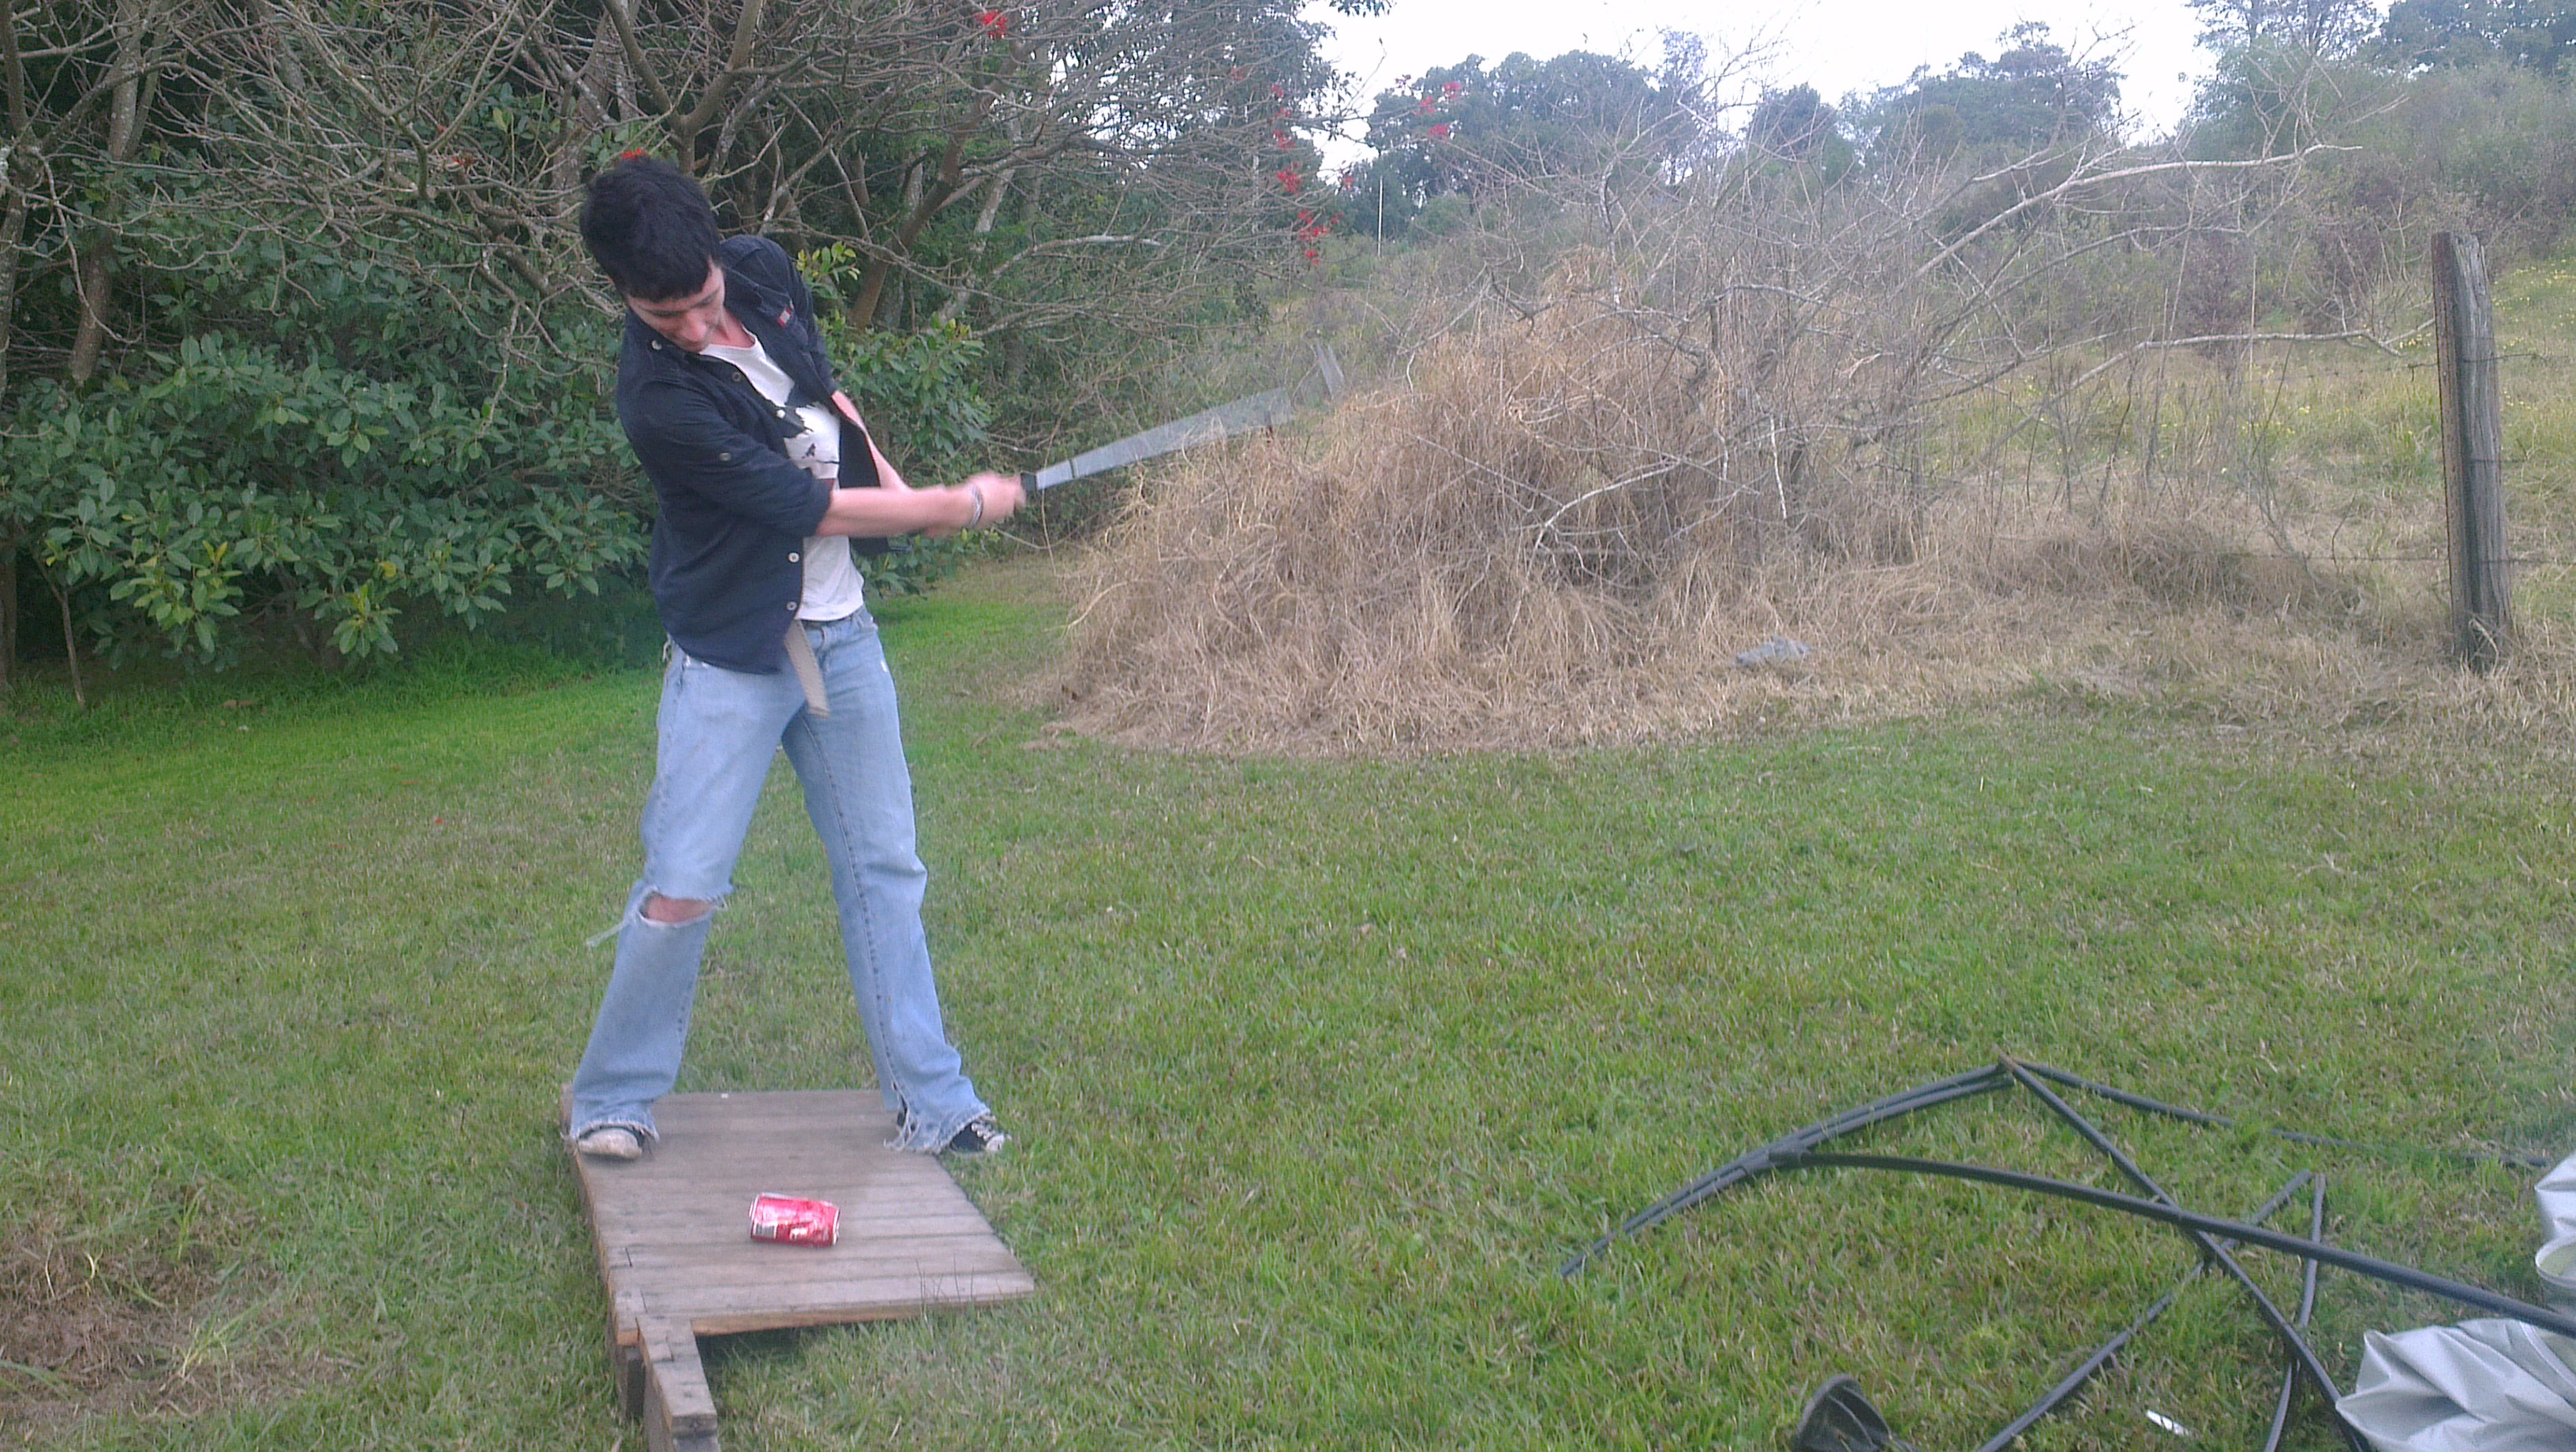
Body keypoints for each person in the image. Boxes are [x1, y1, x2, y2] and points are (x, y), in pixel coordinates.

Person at [565, 156, 1024, 1162]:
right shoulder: (656, 398)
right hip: (733, 655)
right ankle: (612, 1098)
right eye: (665, 314)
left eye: (702, 302)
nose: (693, 326)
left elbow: (826, 399)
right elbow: (799, 506)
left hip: (843, 637)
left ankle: (935, 1102)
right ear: (622, 291)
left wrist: (903, 490)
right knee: (684, 883)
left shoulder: (764, 273)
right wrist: (948, 507)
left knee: (885, 868)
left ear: (716, 254)